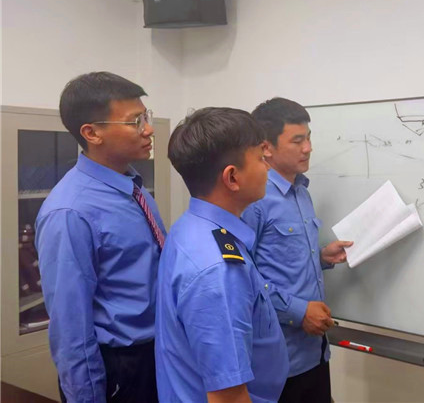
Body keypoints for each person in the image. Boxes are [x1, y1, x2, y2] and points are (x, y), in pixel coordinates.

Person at [36, 71, 166, 402]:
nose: (148, 129)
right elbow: (71, 329)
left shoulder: (132, 187)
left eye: (146, 117)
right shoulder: (70, 212)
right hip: (120, 367)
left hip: (156, 352)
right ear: (92, 133)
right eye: (136, 121)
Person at [155, 107, 289, 402]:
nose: (267, 167)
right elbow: (228, 395)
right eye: (260, 158)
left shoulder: (192, 227)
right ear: (232, 177)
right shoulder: (218, 269)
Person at [242, 97, 352, 403]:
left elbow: (279, 259)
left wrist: (322, 257)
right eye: (297, 140)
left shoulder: (301, 192)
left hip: (315, 352)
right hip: (278, 362)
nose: (308, 148)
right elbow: (243, 277)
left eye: (309, 138)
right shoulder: (254, 199)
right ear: (266, 147)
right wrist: (298, 311)